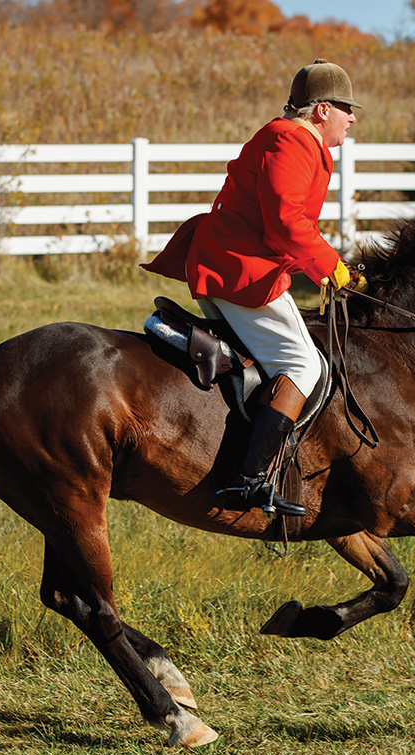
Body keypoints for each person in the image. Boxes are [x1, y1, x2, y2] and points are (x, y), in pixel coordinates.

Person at [142, 59, 363, 517]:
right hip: (239, 271)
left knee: (269, 359)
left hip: (233, 263)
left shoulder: (292, 137)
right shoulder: (293, 138)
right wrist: (330, 266)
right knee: (302, 364)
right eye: (345, 108)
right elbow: (286, 220)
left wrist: (331, 266)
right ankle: (249, 481)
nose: (352, 117)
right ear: (321, 110)